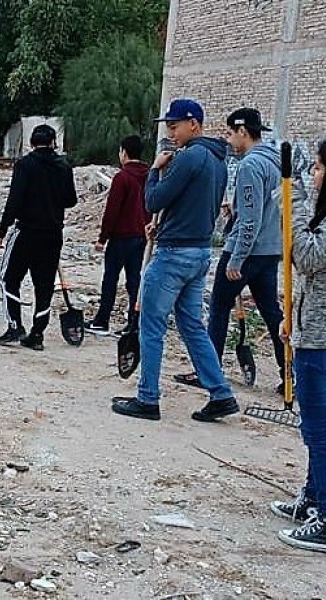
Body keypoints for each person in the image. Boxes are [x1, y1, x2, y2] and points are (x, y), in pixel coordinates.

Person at [111, 99, 239, 422]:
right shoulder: (217, 162)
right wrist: (166, 224)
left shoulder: (190, 157)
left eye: (175, 125)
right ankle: (220, 392)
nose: (171, 132)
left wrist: (154, 171)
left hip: (172, 256)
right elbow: (195, 207)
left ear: (194, 124)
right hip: (198, 253)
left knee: (151, 325)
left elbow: (153, 198)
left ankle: (147, 398)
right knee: (192, 326)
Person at [272, 131, 326, 555]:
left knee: (320, 432)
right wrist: (296, 323)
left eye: (321, 167)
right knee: (316, 428)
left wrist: (298, 196)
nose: (315, 174)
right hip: (320, 331)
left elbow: (305, 255)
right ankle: (312, 499)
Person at [174, 108, 286, 393]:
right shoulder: (275, 162)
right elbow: (264, 209)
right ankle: (289, 373)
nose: (228, 138)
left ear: (243, 132)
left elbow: (251, 219)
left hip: (246, 252)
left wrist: (237, 256)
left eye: (229, 133)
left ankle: (209, 370)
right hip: (270, 250)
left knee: (219, 307)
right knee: (272, 312)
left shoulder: (250, 165)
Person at [0, 124, 78, 351]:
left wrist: (2, 229)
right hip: (52, 233)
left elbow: (15, 200)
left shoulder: (25, 165)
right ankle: (37, 333)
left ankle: (15, 326)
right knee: (44, 285)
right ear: (53, 142)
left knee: (9, 278)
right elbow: (71, 200)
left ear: (32, 143)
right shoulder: (63, 166)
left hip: (26, 232)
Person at [86, 135, 150, 337]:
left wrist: (102, 238)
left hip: (121, 236)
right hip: (142, 236)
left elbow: (112, 211)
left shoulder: (122, 177)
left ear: (124, 152)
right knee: (134, 280)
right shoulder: (150, 175)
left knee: (111, 278)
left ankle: (102, 320)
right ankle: (134, 322)